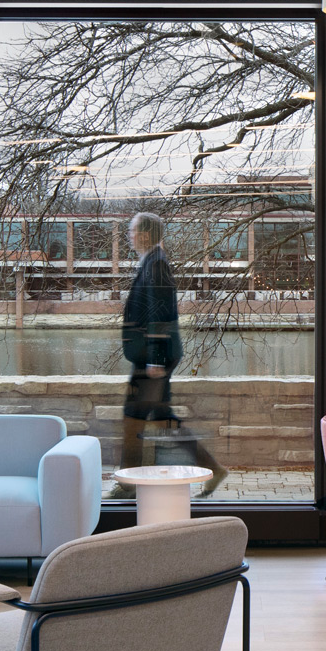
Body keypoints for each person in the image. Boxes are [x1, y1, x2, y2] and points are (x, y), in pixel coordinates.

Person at [114, 211, 228, 498]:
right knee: (164, 417)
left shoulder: (157, 264)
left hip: (153, 359)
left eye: (132, 229)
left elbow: (161, 313)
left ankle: (127, 485)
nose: (129, 234)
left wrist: (154, 359)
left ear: (145, 234)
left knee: (133, 418)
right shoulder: (152, 262)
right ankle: (212, 468)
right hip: (152, 357)